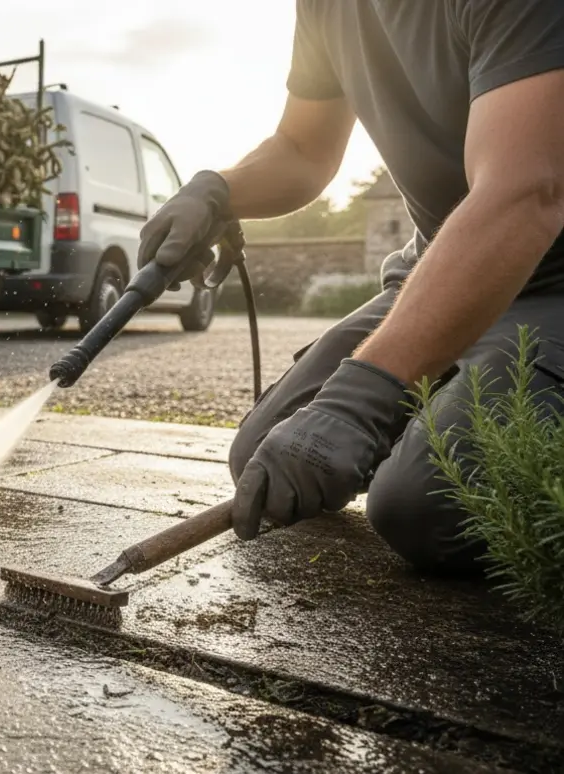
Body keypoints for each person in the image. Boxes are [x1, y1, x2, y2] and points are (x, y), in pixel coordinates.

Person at [138, 1, 564, 575]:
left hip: (550, 276)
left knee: (426, 507)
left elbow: (525, 194)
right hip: (437, 267)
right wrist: (217, 190)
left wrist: (361, 397)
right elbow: (303, 148)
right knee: (264, 460)